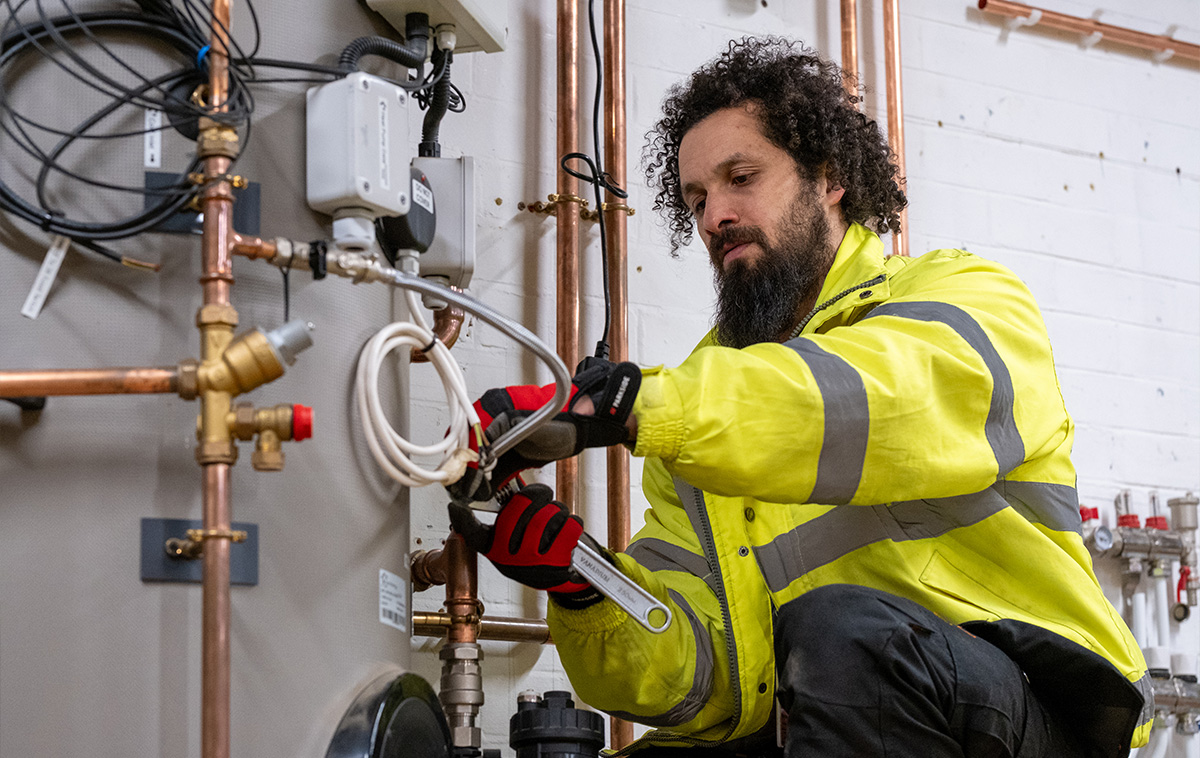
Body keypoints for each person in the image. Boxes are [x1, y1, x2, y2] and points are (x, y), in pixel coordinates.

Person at [449, 37, 1150, 757]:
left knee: (843, 632)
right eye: (696, 199)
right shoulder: (698, 403)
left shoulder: (960, 298)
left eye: (741, 177)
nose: (714, 215)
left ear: (829, 178)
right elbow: (707, 677)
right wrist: (586, 585)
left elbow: (866, 400)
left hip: (1034, 714)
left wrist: (631, 405)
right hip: (850, 706)